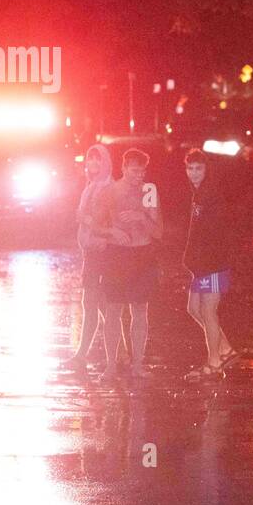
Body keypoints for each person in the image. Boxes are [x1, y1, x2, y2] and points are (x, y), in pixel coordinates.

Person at [96, 148, 162, 382]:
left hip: (142, 255)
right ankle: (111, 365)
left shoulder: (148, 191)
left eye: (143, 171)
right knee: (114, 310)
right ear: (123, 169)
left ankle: (137, 365)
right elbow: (93, 225)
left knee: (140, 311)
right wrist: (112, 230)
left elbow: (159, 231)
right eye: (134, 171)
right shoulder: (110, 191)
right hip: (117, 256)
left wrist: (142, 217)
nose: (139, 176)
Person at [63, 144, 124, 371]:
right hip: (91, 252)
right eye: (90, 159)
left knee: (99, 304)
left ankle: (96, 356)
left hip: (104, 253)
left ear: (105, 162)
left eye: (98, 159)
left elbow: (105, 222)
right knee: (95, 304)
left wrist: (87, 221)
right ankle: (114, 353)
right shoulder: (90, 187)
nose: (93, 163)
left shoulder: (109, 188)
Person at [181, 149, 237, 381]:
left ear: (206, 169)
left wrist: (206, 260)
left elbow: (216, 233)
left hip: (213, 264)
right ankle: (225, 350)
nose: (194, 173)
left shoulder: (211, 194)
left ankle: (214, 363)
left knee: (208, 310)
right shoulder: (199, 194)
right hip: (201, 265)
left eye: (198, 169)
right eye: (190, 168)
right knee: (194, 309)